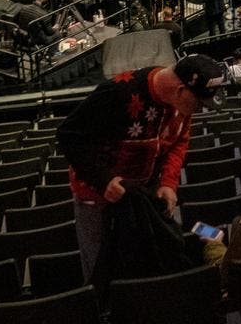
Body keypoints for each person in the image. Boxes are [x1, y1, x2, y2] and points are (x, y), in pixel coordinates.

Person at [58, 54, 226, 285]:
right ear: (180, 91)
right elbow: (68, 136)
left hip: (144, 193)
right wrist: (103, 180)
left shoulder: (181, 106)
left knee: (143, 260)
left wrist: (168, 183)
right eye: (198, 103)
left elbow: (178, 141)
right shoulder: (117, 93)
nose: (199, 110)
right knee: (100, 268)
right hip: (97, 198)